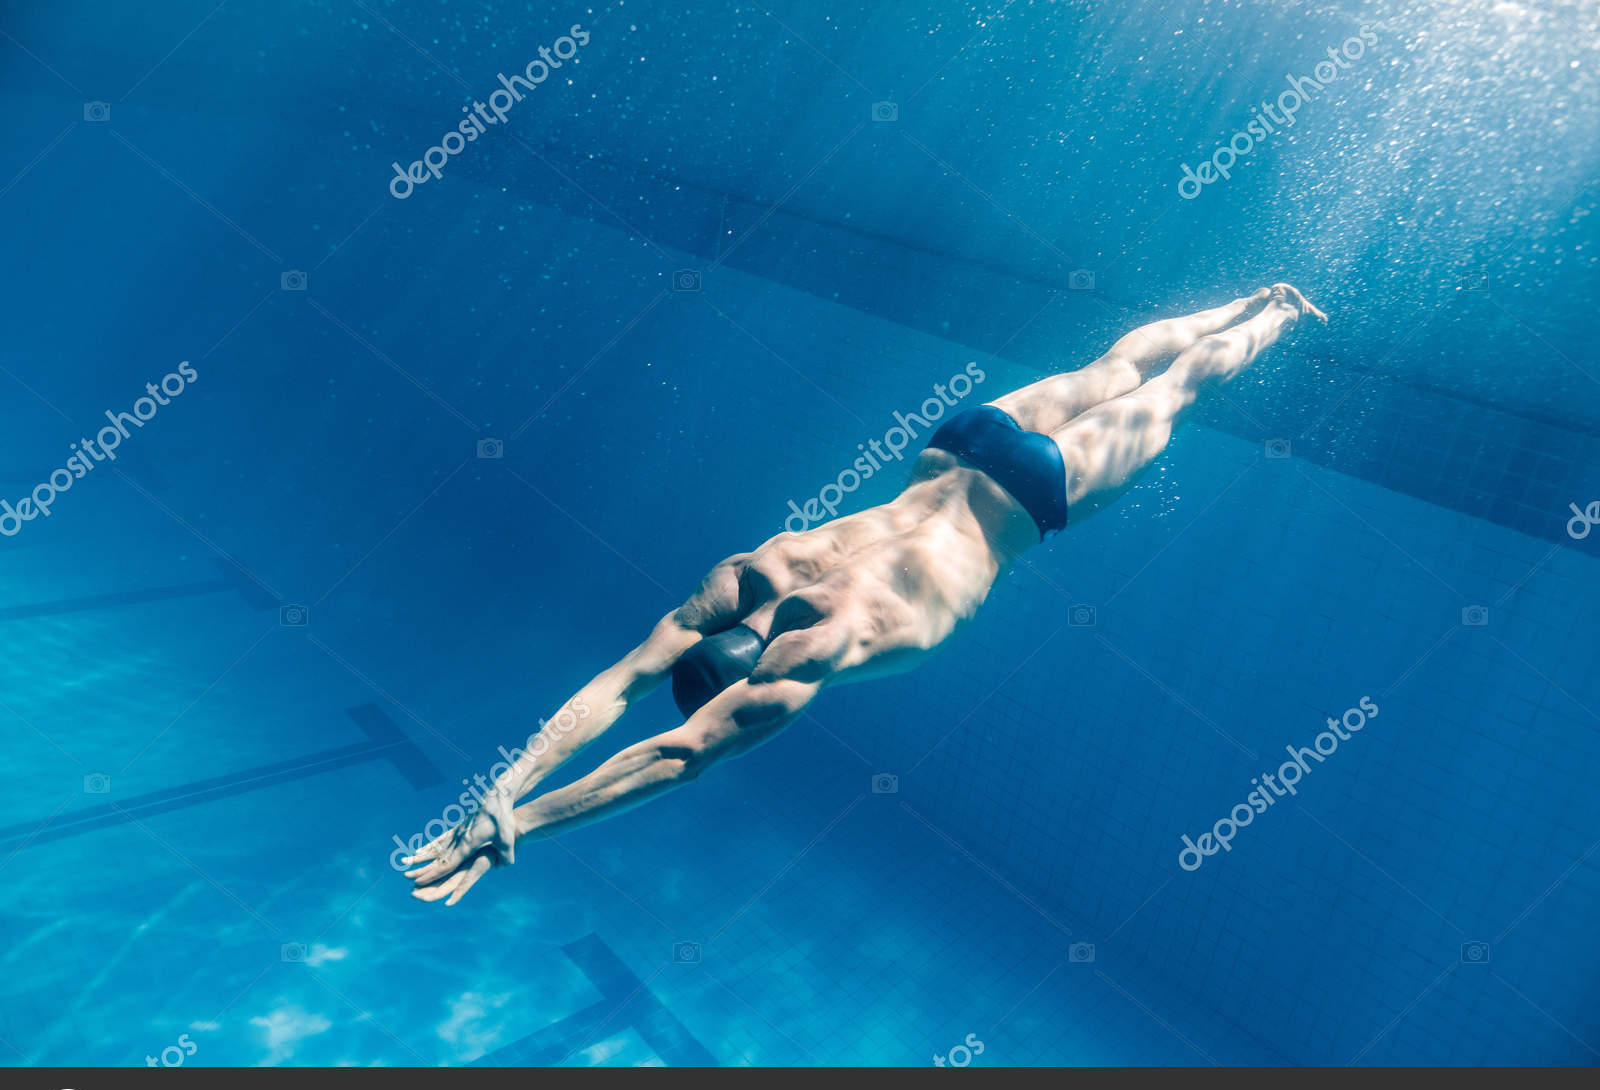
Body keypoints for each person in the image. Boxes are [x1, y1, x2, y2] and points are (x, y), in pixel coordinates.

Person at [403, 283, 1326, 904]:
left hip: (1033, 494)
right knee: (1113, 368)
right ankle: (1253, 298)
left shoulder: (822, 644)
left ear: (743, 670)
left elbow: (678, 755)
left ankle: (1274, 320)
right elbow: (623, 682)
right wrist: (506, 784)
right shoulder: (753, 571)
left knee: (1178, 391)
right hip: (960, 445)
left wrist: (518, 816)